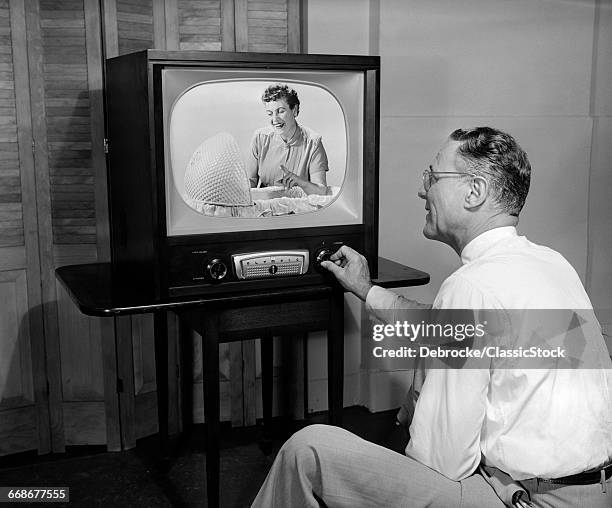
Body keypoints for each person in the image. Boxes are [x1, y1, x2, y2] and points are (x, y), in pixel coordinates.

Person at [251, 127, 612, 507]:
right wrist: (365, 288)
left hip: (533, 499)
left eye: (434, 177)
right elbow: (451, 327)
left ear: (475, 192)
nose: (423, 190)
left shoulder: (473, 287)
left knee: (307, 450)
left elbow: (443, 461)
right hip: (593, 492)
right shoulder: (549, 263)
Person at [246, 83, 330, 196]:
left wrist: (301, 183)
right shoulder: (259, 138)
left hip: (299, 209)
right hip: (265, 209)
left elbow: (321, 191)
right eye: (270, 113)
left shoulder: (313, 143)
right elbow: (250, 183)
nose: (274, 120)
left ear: (294, 110)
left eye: (281, 111)